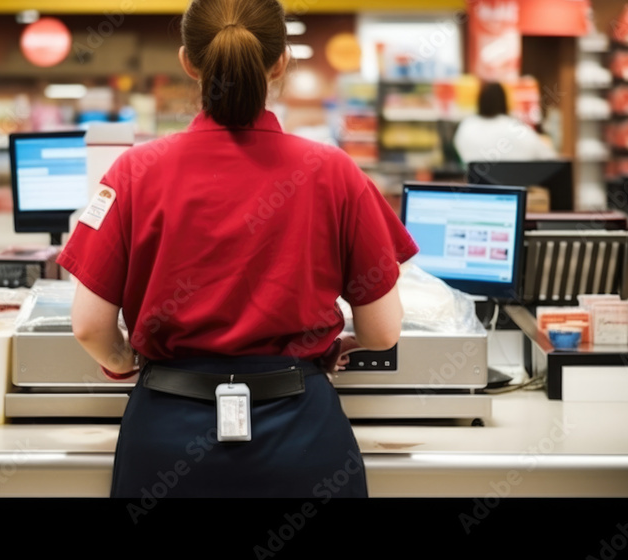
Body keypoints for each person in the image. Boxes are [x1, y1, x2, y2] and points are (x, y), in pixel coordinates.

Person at [58, 0, 418, 498]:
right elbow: (382, 331)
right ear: (281, 62)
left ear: (188, 61)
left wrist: (123, 362)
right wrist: (348, 345)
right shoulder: (334, 172)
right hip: (302, 438)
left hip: (166, 434)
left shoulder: (133, 172)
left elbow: (89, 327)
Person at [453, 81, 558, 164]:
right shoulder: (516, 127)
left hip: (477, 189)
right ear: (505, 101)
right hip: (517, 188)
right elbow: (550, 158)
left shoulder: (466, 126)